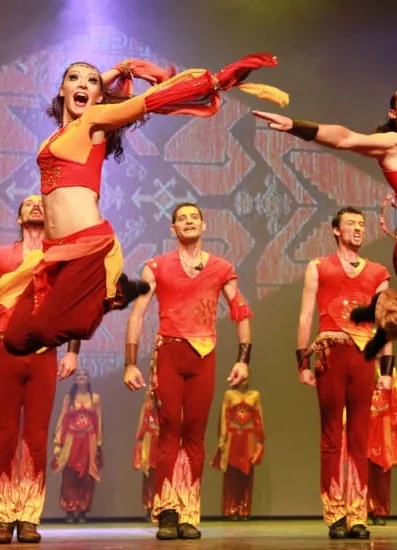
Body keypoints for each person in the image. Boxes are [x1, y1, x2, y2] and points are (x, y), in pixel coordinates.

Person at [0, 53, 288, 360]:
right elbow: (87, 88)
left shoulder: (95, 121)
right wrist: (117, 71)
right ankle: (115, 292)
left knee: (50, 330)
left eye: (92, 81)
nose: (83, 84)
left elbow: (146, 102)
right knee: (15, 340)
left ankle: (111, 297)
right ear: (61, 89)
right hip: (53, 252)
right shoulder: (57, 134)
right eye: (74, 78)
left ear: (100, 96)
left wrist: (213, 83)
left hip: (87, 246)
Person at [253, 86, 397, 361]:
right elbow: (345, 138)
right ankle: (387, 307)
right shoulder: (395, 144)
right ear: (394, 113)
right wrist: (295, 125)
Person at [123, 202, 252, 540]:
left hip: (203, 356)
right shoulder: (157, 266)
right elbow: (137, 314)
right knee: (169, 430)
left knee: (195, 433)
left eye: (194, 217)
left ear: (204, 225)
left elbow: (241, 310)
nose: (189, 221)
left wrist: (243, 359)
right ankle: (167, 511)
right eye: (182, 218)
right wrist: (130, 363)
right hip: (170, 353)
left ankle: (188, 513)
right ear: (173, 228)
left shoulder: (221, 268)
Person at [0, 195, 78, 543]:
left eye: (40, 203)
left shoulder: (60, 257)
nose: (36, 206)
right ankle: (2, 517)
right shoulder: (1, 256)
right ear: (18, 218)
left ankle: (28, 517)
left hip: (43, 354)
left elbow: (72, 307)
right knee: (5, 435)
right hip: (7, 353)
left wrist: (72, 352)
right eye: (28, 204)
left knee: (37, 437)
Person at [295, 206, 394, 540]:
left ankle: (358, 515)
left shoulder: (378, 272)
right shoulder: (319, 267)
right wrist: (302, 363)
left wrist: (386, 370)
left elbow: (384, 321)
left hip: (364, 356)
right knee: (331, 435)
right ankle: (335, 513)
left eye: (362, 224)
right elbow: (305, 316)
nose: (358, 228)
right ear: (336, 230)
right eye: (351, 224)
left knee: (360, 437)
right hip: (331, 354)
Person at [52, 369, 102, 524]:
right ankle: (69, 509)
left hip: (89, 439)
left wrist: (99, 443)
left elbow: (98, 421)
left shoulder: (95, 398)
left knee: (86, 476)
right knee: (69, 475)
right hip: (71, 440)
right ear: (74, 380)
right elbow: (62, 419)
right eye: (78, 375)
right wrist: (58, 442)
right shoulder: (68, 399)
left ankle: (82, 510)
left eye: (84, 375)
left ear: (88, 379)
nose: (81, 377)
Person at [210, 380, 265, 521]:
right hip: (232, 436)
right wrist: (222, 438)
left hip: (249, 437)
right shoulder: (229, 394)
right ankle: (230, 509)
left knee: (247, 473)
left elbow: (258, 418)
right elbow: (224, 417)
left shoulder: (254, 395)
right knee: (231, 473)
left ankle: (244, 509)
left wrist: (260, 440)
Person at [365, 368, 397, 526]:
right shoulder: (362, 364)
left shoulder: (389, 369)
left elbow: (395, 396)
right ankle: (361, 507)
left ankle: (379, 508)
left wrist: (395, 424)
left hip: (382, 421)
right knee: (360, 462)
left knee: (381, 464)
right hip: (362, 417)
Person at [133, 394, 159, 521]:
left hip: (163, 441)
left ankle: (162, 507)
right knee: (149, 475)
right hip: (149, 442)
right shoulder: (147, 406)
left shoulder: (167, 405)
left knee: (162, 476)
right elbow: (141, 426)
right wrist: (139, 443)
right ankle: (150, 506)